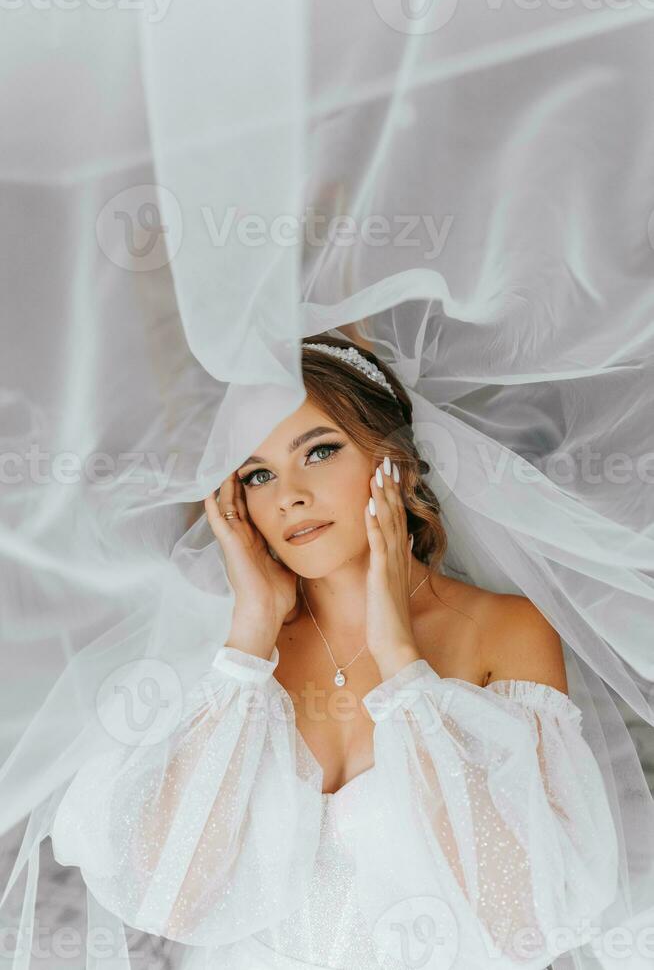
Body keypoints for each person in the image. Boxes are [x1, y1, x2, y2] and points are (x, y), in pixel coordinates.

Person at [47, 336, 619, 970]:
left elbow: (520, 916)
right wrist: (249, 637)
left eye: (318, 451)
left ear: (394, 461)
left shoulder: (506, 632)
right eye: (257, 474)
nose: (287, 494)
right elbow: (172, 898)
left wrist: (403, 665)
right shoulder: (229, 666)